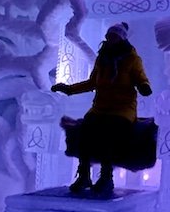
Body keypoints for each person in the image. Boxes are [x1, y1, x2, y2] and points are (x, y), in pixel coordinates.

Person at [51, 22, 152, 198]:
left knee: (108, 134)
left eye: (115, 36)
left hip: (122, 110)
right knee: (84, 132)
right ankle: (84, 176)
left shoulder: (131, 58)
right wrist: (69, 89)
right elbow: (92, 83)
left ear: (121, 38)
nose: (111, 39)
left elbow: (140, 77)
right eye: (109, 36)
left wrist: (144, 86)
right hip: (100, 108)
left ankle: (106, 177)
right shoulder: (102, 59)